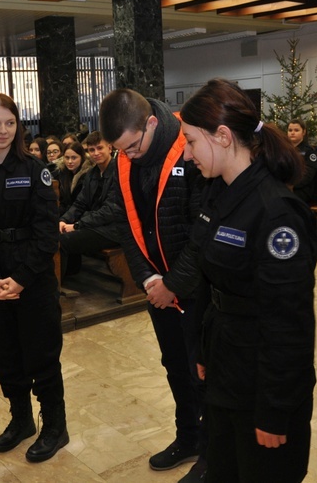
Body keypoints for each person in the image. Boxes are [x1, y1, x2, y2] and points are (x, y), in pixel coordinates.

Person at [177, 78, 317, 483]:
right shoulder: (219, 194)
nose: (187, 155)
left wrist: (275, 411)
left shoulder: (276, 213)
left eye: (190, 141)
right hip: (227, 366)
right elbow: (212, 283)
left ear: (222, 136)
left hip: (263, 384)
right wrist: (204, 354)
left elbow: (289, 323)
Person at [99, 88, 207, 483]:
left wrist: (173, 284)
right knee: (175, 366)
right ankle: (188, 437)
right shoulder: (125, 158)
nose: (127, 156)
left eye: (132, 146)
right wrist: (148, 278)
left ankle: (210, 454)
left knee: (203, 369)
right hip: (157, 286)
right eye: (119, 150)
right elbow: (126, 222)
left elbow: (202, 233)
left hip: (196, 287)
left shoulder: (190, 149)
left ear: (150, 123)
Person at [0, 93, 69, 463]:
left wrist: (20, 280)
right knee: (5, 354)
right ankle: (21, 419)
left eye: (10, 123)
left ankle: (55, 425)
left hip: (33, 276)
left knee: (41, 353)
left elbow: (47, 235)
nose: (2, 130)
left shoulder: (34, 168)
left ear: (19, 127)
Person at [58, 131, 120, 278]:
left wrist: (77, 225)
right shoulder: (92, 173)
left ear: (110, 148)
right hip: (96, 225)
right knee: (56, 232)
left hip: (114, 229)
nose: (96, 153)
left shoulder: (119, 171)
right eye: (91, 150)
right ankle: (69, 273)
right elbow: (80, 203)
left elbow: (110, 211)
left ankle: (59, 282)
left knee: (62, 241)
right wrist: (64, 220)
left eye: (100, 148)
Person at [287, 118, 317, 204]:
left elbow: (307, 175)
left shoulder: (309, 152)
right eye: (290, 130)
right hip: (285, 186)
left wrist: (291, 184)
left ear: (303, 132)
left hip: (302, 189)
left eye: (296, 130)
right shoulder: (284, 149)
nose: (292, 133)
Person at [56, 140, 92, 216]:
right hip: (68, 215)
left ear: (81, 157)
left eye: (74, 158)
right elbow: (64, 202)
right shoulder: (63, 173)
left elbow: (84, 205)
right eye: (67, 157)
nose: (70, 161)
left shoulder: (88, 175)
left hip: (83, 216)